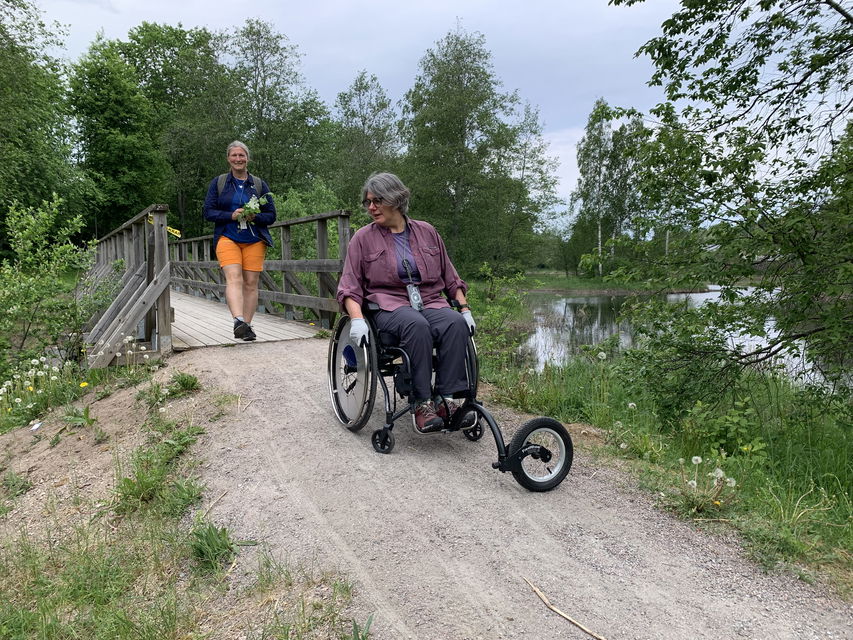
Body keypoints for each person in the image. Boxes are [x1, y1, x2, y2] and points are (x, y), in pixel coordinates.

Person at [337, 172, 477, 433]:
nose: (371, 207)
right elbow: (349, 286)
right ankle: (421, 404)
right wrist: (357, 319)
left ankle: (446, 400)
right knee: (416, 325)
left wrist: (465, 309)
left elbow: (451, 277)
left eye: (377, 200)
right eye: (367, 202)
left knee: (455, 323)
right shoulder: (363, 239)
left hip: (430, 301)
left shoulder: (428, 232)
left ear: (396, 200)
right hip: (388, 305)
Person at [203, 141, 276, 341]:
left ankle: (247, 326)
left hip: (254, 238)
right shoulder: (219, 183)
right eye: (234, 155)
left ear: (247, 158)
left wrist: (256, 217)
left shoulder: (259, 184)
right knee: (234, 277)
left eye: (241, 155)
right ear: (228, 158)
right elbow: (208, 212)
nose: (238, 159)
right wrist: (231, 215)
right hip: (228, 235)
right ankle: (238, 320)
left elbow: (271, 215)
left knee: (251, 282)